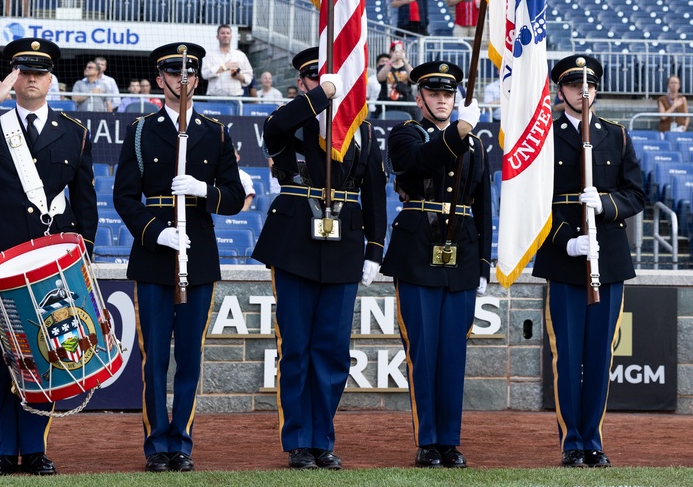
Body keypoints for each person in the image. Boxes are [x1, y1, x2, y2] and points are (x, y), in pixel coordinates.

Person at [0, 38, 97, 477]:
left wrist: (84, 256)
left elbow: (86, 203)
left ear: (51, 80)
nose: (30, 78)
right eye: (22, 71)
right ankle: (5, 451)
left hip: (45, 261)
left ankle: (35, 448)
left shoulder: (74, 131)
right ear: (12, 77)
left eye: (38, 72)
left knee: (43, 354)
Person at [113, 42, 246, 473]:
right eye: (174, 73)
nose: (182, 80)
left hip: (198, 253)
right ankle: (156, 445)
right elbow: (124, 197)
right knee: (155, 357)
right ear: (160, 79)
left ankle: (182, 443)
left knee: (190, 354)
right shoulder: (139, 130)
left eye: (190, 73)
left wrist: (205, 191)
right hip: (155, 255)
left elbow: (235, 197)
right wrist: (157, 232)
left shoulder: (215, 130)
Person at [253, 48, 386, 470]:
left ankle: (321, 437)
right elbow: (272, 127)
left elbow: (376, 193)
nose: (321, 85)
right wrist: (320, 97)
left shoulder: (361, 130)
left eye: (327, 79)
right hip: (295, 242)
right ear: (304, 83)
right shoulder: (292, 124)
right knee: (296, 346)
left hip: (344, 241)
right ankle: (297, 441)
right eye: (313, 79)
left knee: (331, 350)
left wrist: (375, 249)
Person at [534, 55, 644, 468]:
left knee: (599, 355)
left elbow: (636, 194)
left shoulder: (615, 135)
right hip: (564, 257)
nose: (583, 92)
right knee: (568, 354)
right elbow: (533, 201)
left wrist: (607, 204)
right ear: (559, 90)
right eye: (574, 85)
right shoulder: (543, 134)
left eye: (590, 85)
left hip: (608, 256)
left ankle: (593, 439)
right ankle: (571, 441)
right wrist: (566, 241)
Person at [383, 60, 491, 469]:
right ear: (419, 98)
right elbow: (418, 163)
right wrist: (460, 133)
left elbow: (482, 207)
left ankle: (450, 439)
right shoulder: (405, 134)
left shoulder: (476, 144)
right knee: (423, 350)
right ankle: (427, 440)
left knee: (453, 353)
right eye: (434, 93)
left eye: (448, 94)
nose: (442, 99)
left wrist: (483, 265)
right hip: (417, 252)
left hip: (461, 254)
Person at [201, 24, 253, 97]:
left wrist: (239, 76)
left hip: (235, 99)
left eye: (228, 33)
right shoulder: (209, 55)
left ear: (231, 36)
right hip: (214, 99)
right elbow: (204, 74)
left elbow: (249, 75)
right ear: (217, 36)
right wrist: (224, 67)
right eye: (222, 33)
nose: (225, 35)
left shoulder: (240, 55)